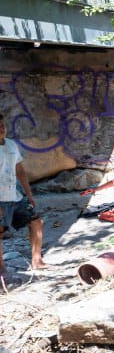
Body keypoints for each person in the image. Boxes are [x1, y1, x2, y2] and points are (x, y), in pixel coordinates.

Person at [0, 117, 45, 288]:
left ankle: (36, 260)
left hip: (14, 194)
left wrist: (29, 194)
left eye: (2, 125)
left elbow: (19, 170)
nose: (1, 129)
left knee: (36, 221)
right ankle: (1, 268)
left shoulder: (11, 145)